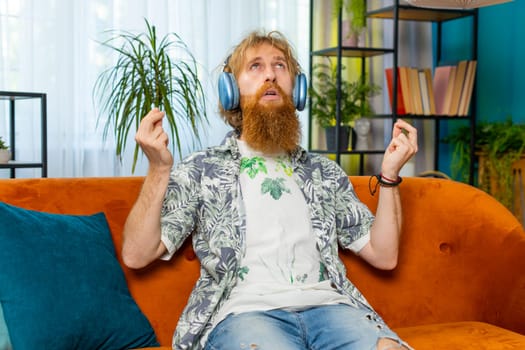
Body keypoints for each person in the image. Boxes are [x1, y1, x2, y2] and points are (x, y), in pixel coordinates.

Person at [122, 30, 418, 350]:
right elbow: (136, 255)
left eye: (280, 66)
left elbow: (384, 256)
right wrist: (158, 169)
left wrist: (389, 176)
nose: (270, 76)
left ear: (297, 88)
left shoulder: (324, 172)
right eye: (256, 67)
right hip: (245, 316)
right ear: (231, 91)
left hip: (331, 308)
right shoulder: (201, 169)